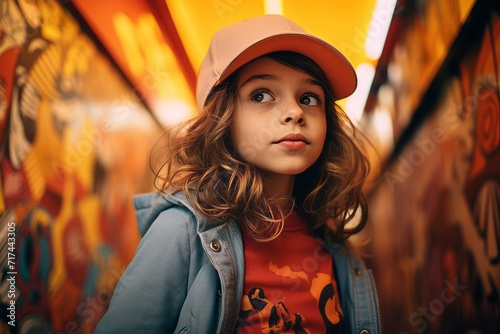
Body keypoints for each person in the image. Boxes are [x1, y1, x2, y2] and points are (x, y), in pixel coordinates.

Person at [95, 14, 381, 334]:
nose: (295, 112)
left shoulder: (335, 246)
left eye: (309, 98)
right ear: (222, 119)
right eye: (261, 94)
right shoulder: (182, 231)